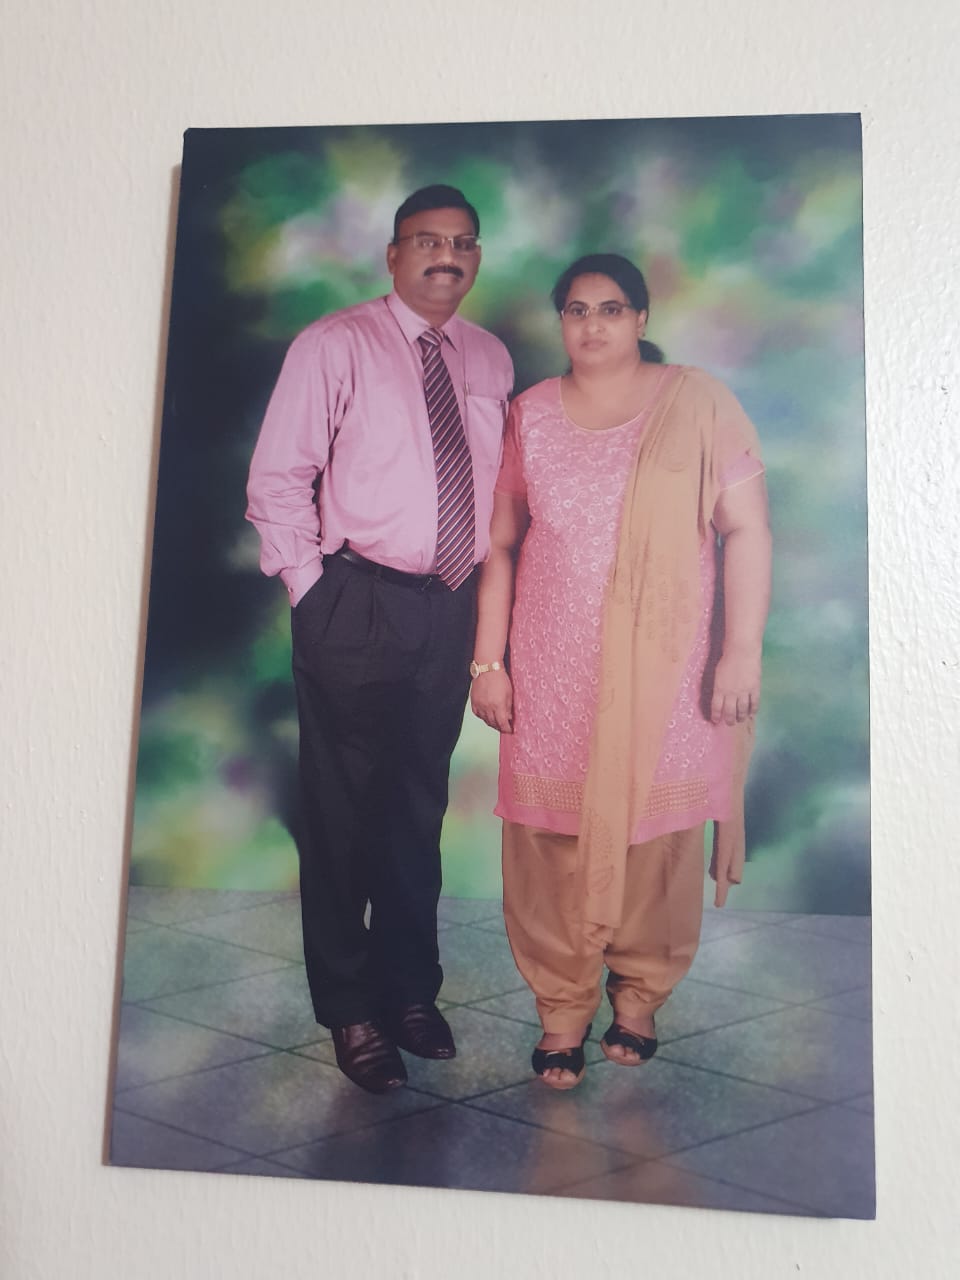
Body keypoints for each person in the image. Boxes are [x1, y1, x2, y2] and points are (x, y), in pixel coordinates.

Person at [471, 253, 771, 1089]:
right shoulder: (530, 414)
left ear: (641, 318)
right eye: (576, 310)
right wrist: (488, 662)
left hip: (670, 669)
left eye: (610, 308)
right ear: (560, 322)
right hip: (550, 666)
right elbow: (499, 545)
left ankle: (639, 997)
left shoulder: (697, 403)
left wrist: (740, 650)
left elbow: (746, 529)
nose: (592, 325)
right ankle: (561, 1009)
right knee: (547, 841)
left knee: (658, 837)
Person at [246, 185, 513, 1093]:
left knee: (415, 808)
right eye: (427, 240)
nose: (447, 255)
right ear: (393, 256)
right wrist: (312, 590)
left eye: (463, 242)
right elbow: (278, 477)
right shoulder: (335, 344)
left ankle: (408, 991)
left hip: (450, 605)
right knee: (341, 814)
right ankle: (350, 1008)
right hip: (355, 600)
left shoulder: (489, 356)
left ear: (477, 258)